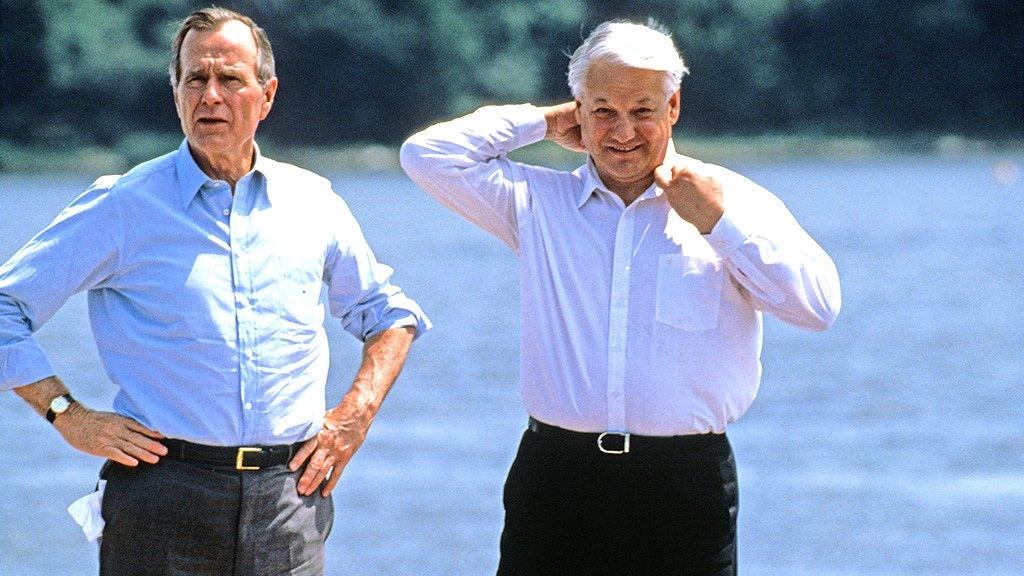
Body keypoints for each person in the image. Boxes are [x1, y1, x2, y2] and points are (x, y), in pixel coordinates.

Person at [401, 19, 840, 575]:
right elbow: (425, 155)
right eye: (603, 109)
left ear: (673, 108)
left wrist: (719, 225)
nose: (623, 132)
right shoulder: (536, 202)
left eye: (642, 110)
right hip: (555, 481)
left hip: (684, 486)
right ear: (578, 111)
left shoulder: (729, 199)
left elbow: (819, 307)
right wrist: (543, 121)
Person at [0, 7, 429, 575]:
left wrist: (355, 414)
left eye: (230, 79)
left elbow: (389, 315)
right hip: (160, 497)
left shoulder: (314, 202)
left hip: (290, 501)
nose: (211, 96)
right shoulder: (124, 204)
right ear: (175, 91)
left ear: (266, 94)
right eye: (195, 79)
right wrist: (67, 414)